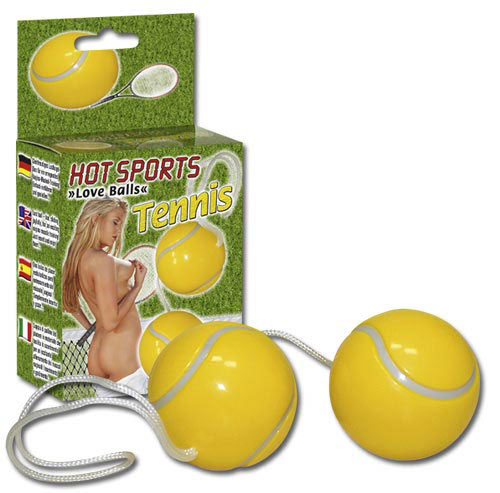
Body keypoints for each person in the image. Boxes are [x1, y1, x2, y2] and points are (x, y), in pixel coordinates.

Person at [62, 198, 147, 383]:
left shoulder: (77, 258)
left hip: (97, 353)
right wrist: (137, 287)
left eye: (121, 225)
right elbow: (110, 322)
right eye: (115, 222)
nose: (118, 231)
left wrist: (92, 329)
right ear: (95, 219)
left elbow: (70, 305)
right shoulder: (102, 260)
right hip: (121, 353)